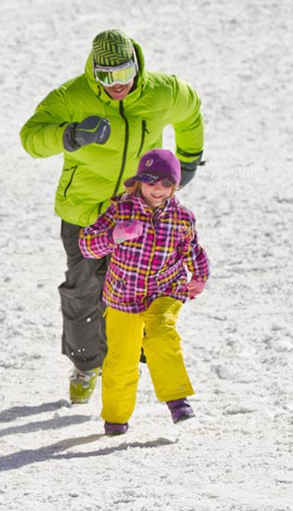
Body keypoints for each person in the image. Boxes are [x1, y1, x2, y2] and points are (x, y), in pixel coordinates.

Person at [19, 29, 204, 404]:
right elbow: (31, 137)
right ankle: (86, 364)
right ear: (94, 73)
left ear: (136, 66)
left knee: (143, 284)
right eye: (106, 77)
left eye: (123, 75)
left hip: (141, 210)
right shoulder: (72, 97)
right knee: (84, 288)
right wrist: (69, 135)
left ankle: (137, 351)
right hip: (85, 212)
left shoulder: (163, 92)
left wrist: (188, 160)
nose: (116, 85)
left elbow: (191, 112)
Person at [78, 149, 209, 435]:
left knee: (162, 332)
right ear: (139, 182)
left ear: (174, 187)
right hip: (123, 297)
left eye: (166, 184)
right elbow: (87, 245)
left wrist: (199, 275)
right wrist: (116, 235)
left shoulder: (181, 217)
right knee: (121, 359)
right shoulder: (119, 211)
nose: (158, 190)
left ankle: (177, 400)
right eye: (152, 182)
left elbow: (192, 249)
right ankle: (116, 417)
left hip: (166, 290)